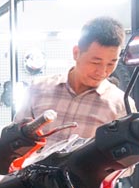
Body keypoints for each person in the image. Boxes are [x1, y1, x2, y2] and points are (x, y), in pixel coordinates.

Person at [14, 16, 128, 145]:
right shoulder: (38, 89)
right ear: (76, 53)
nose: (102, 72)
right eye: (95, 62)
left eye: (111, 63)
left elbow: (125, 160)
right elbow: (13, 141)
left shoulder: (121, 105)